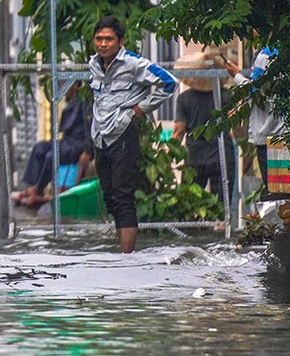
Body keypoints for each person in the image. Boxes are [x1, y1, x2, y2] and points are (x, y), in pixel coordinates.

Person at [87, 16, 176, 253]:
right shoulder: (94, 64)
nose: (103, 44)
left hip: (122, 134)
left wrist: (140, 109)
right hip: (101, 137)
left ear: (120, 41)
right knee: (110, 196)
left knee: (124, 196)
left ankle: (127, 256)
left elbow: (169, 82)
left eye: (108, 39)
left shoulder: (133, 64)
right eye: (99, 39)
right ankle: (122, 252)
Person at [224, 44, 284, 192]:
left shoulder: (267, 55)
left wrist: (237, 75)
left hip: (269, 133)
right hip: (282, 133)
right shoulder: (289, 50)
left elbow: (257, 92)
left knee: (275, 191)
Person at [174, 48, 224, 198]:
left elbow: (178, 131)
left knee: (190, 202)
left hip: (194, 156)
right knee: (221, 205)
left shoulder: (184, 99)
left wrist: (168, 157)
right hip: (221, 155)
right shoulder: (226, 96)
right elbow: (238, 128)